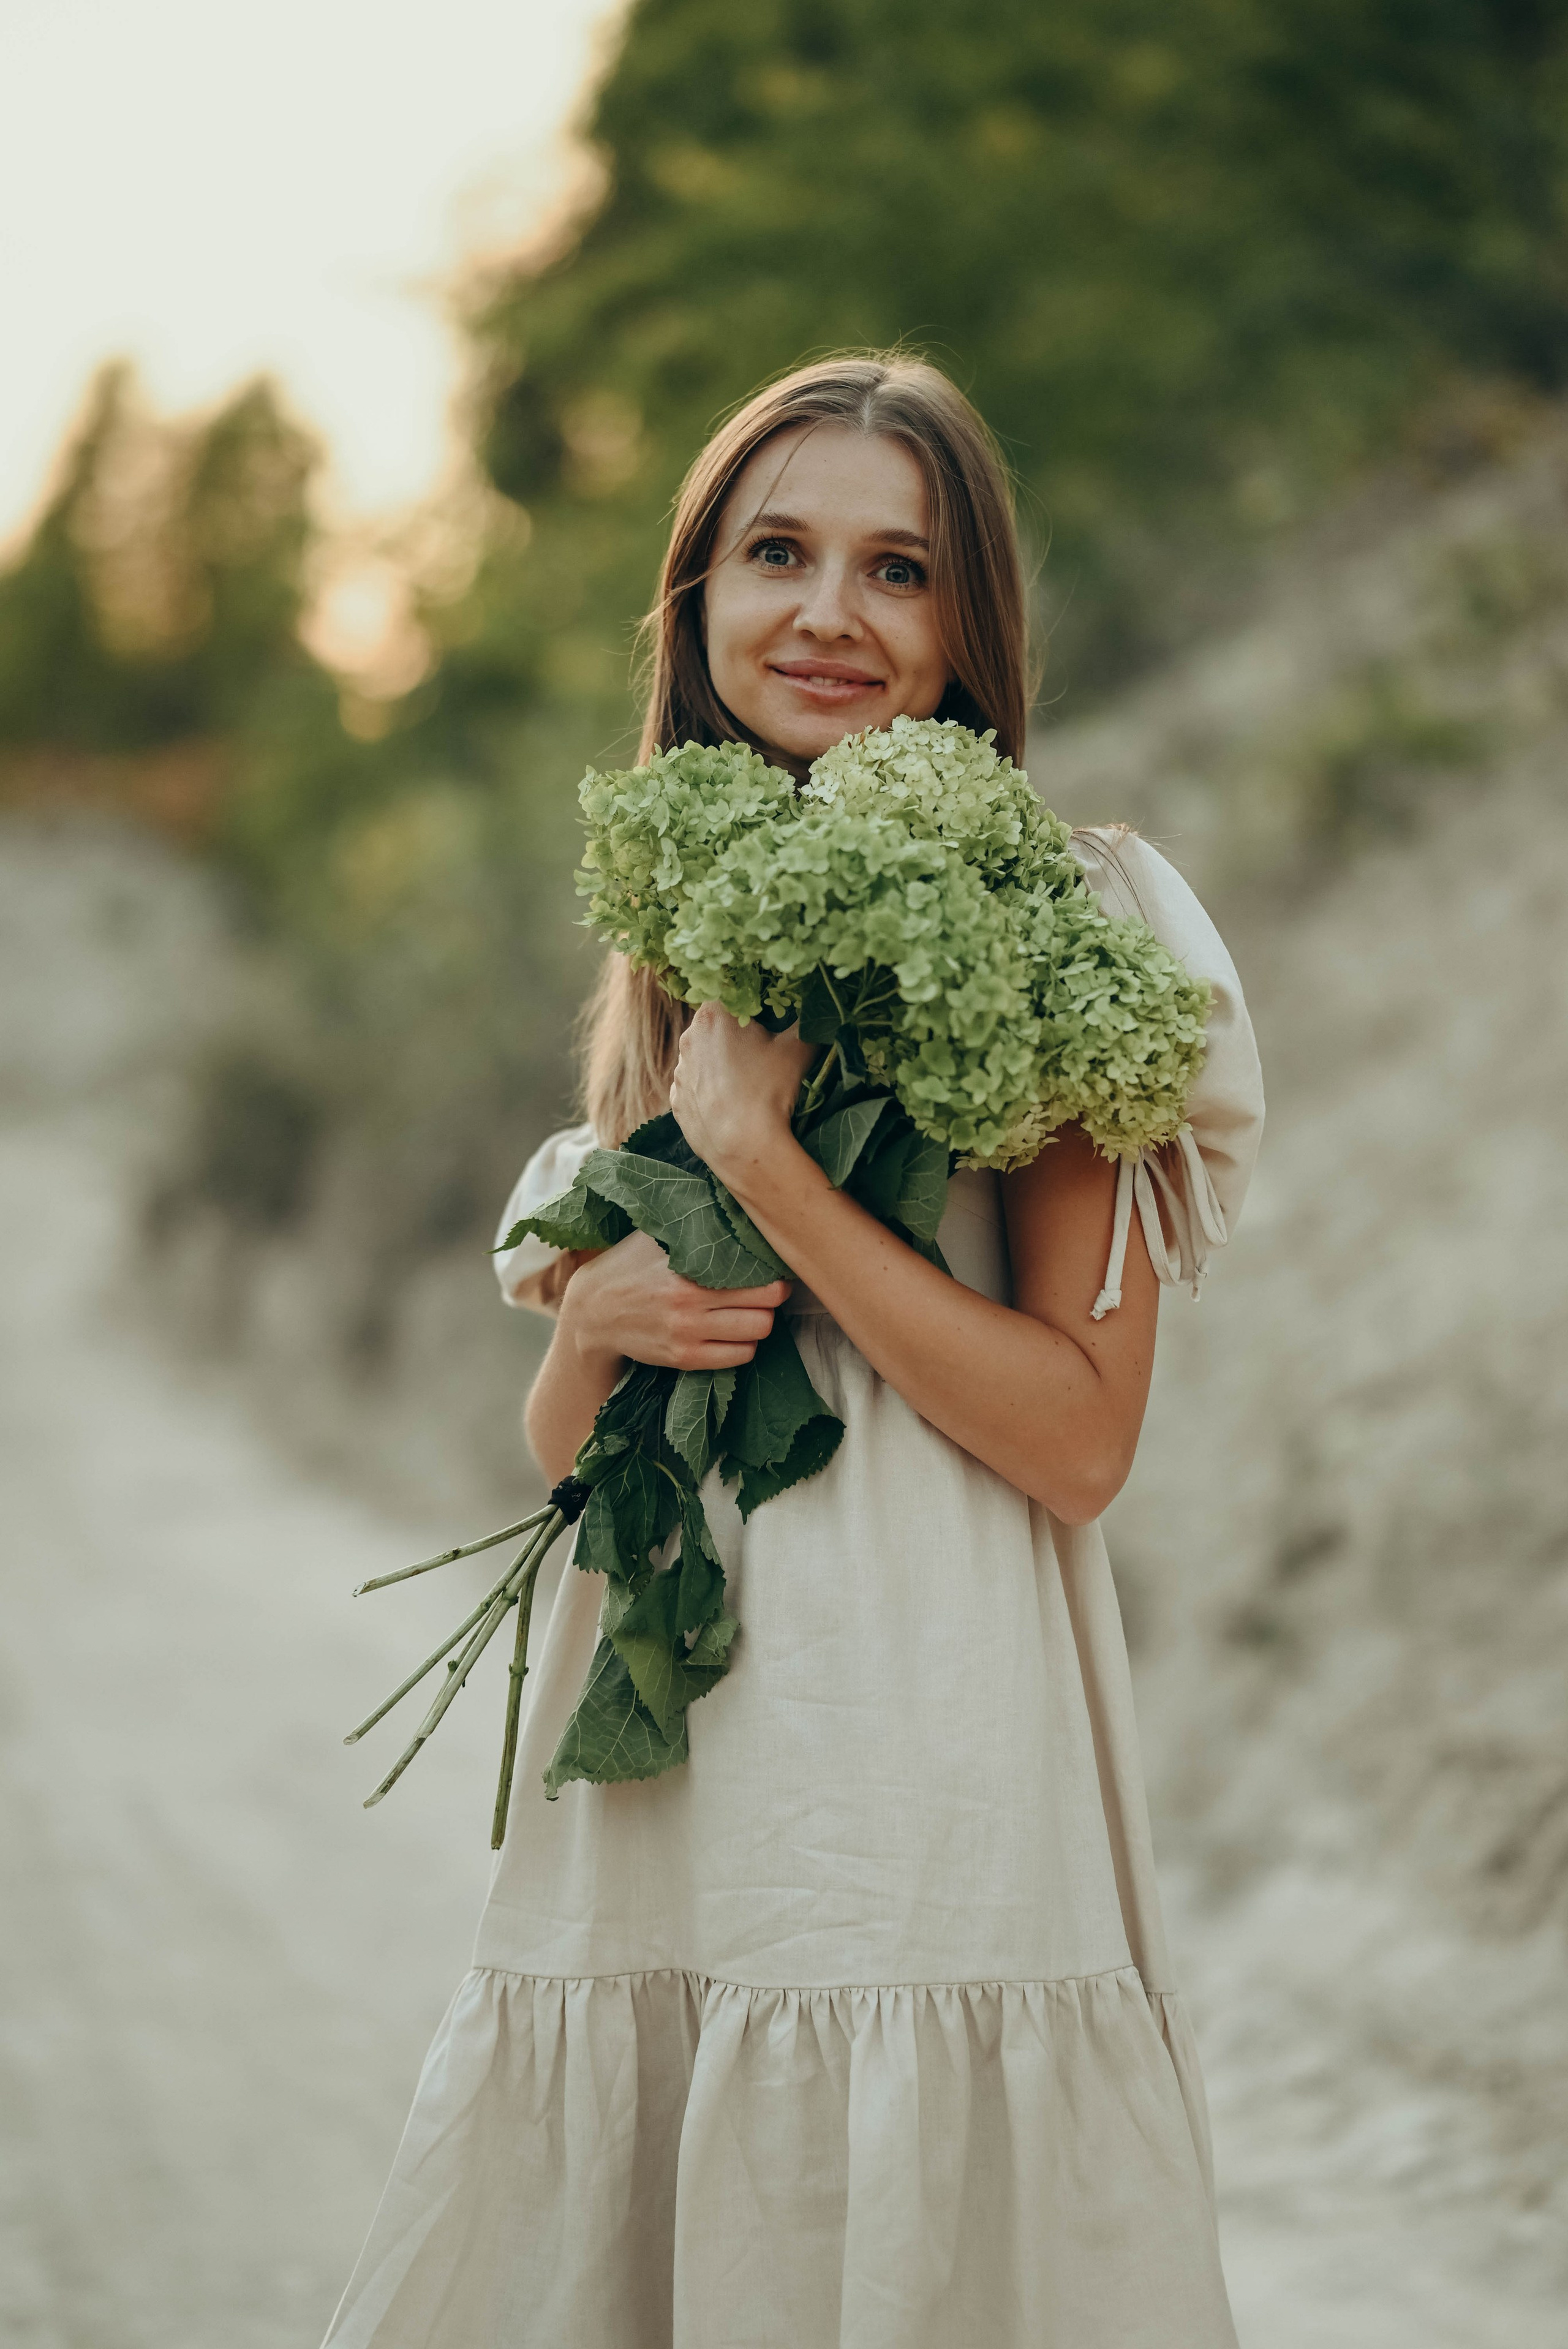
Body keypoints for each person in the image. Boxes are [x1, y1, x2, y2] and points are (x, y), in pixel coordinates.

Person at [324, 354, 1263, 2349]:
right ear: (696, 602)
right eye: (778, 552)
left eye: (896, 569)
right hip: (673, 1759)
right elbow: (571, 1450)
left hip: (921, 1764)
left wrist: (764, 1164)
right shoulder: (680, 918)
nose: (829, 613)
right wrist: (592, 1320)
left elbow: (1082, 1438)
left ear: (964, 631)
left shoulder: (1070, 920)